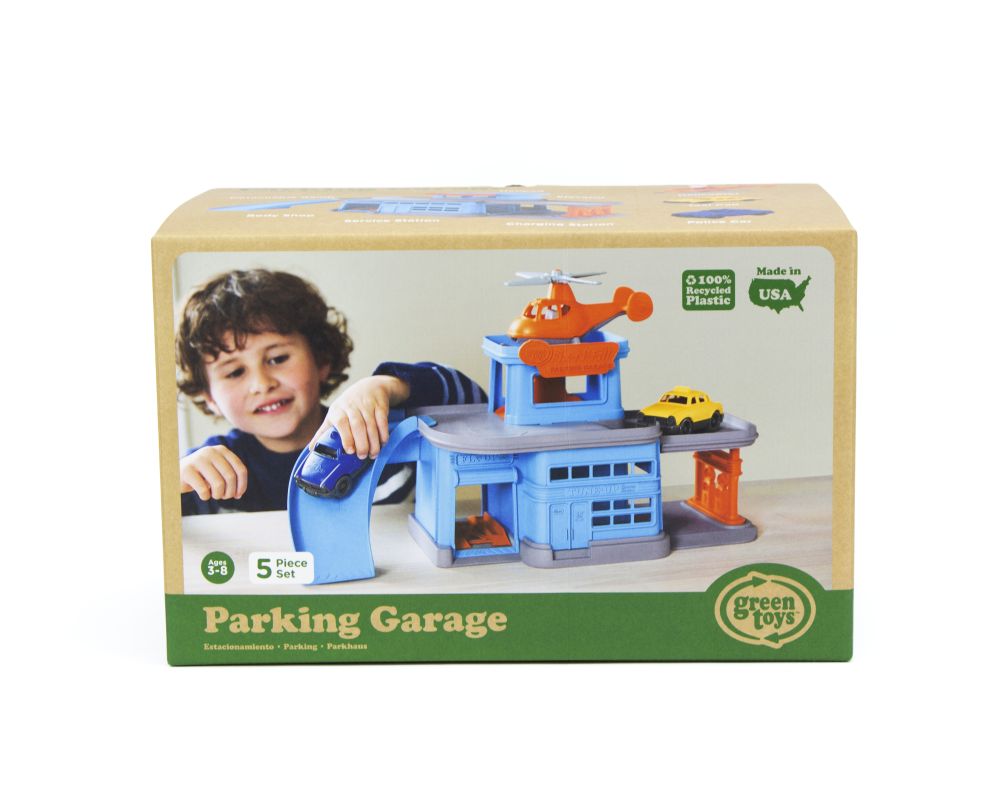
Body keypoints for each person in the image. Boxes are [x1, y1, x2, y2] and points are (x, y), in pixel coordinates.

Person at [175, 269, 483, 515]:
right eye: (234, 372)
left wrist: (388, 385)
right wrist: (171, 484)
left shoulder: (378, 431)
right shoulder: (203, 472)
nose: (262, 383)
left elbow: (478, 406)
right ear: (210, 398)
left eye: (278, 359)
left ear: (321, 360)